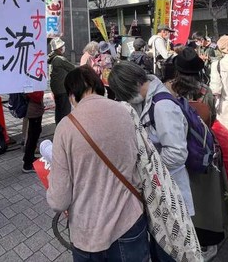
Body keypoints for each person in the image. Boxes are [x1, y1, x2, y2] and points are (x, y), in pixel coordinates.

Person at [47, 66, 149, 261]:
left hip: (88, 230)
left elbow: (59, 201)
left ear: (71, 95)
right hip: (129, 221)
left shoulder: (66, 127)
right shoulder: (125, 112)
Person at [108, 62, 195, 221]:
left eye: (127, 94)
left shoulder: (162, 106)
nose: (128, 99)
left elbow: (177, 153)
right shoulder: (146, 101)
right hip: (161, 184)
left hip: (171, 186)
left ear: (136, 83)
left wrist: (147, 168)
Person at [165, 49, 228, 261]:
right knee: (206, 199)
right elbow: (211, 118)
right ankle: (208, 240)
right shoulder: (204, 91)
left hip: (175, 147)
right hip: (202, 149)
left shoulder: (168, 90)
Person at [49, 37, 76, 124]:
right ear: (59, 48)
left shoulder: (52, 58)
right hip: (62, 89)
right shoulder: (60, 59)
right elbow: (72, 68)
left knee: (59, 110)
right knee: (65, 111)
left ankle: (59, 126)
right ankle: (64, 128)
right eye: (62, 46)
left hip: (56, 89)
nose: (64, 47)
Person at [22, 90, 45, 173]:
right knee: (33, 136)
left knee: (34, 134)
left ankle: (29, 157)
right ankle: (27, 164)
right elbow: (37, 96)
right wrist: (41, 90)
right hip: (33, 110)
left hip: (35, 109)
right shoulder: (31, 85)